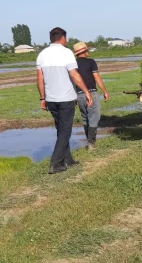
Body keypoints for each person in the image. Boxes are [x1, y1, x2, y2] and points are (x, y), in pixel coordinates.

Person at [36, 27, 93, 174]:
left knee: (61, 129)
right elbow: (74, 74)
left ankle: (67, 160)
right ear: (62, 38)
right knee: (65, 131)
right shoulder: (66, 53)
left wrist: (42, 97)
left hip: (51, 99)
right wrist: (86, 91)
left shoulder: (42, 55)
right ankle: (55, 164)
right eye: (66, 39)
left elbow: (40, 78)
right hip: (65, 98)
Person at [72, 42, 110, 150]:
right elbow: (97, 77)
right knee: (94, 118)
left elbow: (72, 80)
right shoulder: (91, 62)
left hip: (79, 95)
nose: (88, 51)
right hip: (91, 93)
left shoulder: (73, 64)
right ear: (83, 52)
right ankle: (91, 144)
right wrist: (105, 91)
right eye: (86, 50)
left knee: (85, 118)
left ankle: (89, 142)